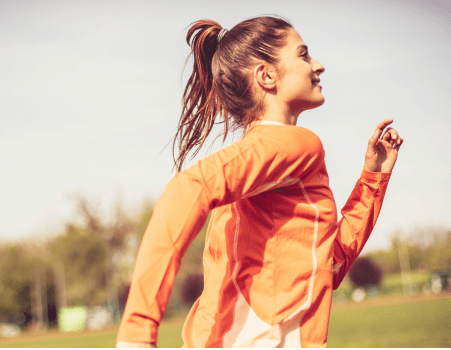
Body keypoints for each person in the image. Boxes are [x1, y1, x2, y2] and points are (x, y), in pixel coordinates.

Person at [116, 16, 403, 348]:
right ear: (267, 75)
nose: (318, 65)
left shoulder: (262, 170)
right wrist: (137, 332)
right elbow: (186, 188)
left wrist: (372, 180)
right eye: (304, 55)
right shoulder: (297, 144)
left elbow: (329, 266)